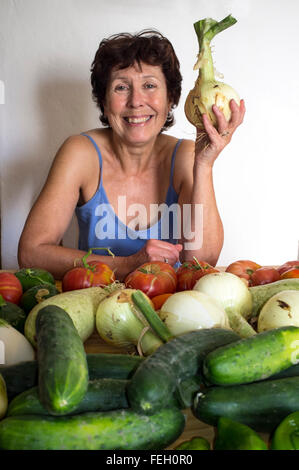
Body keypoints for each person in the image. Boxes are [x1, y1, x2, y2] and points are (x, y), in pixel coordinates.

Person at [18, 30, 245, 281]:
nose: (136, 101)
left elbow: (201, 262)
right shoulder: (80, 153)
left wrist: (204, 165)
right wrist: (127, 264)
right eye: (121, 87)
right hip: (95, 304)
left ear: (171, 98)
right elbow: (31, 253)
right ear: (104, 102)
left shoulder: (185, 155)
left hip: (166, 306)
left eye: (149, 85)